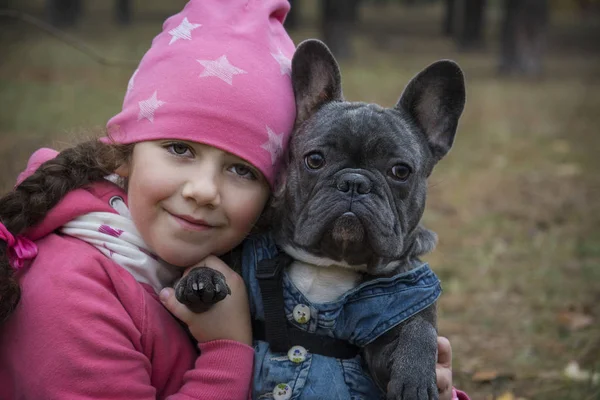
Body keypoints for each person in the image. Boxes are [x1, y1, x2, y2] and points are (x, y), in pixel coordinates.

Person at [0, 0, 296, 398]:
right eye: (179, 149)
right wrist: (226, 350)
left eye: (242, 170)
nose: (204, 190)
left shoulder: (242, 269)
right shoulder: (72, 292)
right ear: (126, 153)